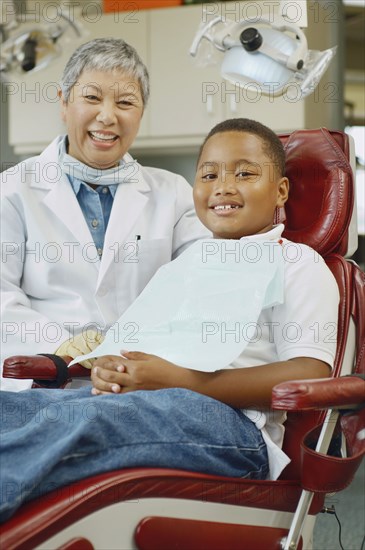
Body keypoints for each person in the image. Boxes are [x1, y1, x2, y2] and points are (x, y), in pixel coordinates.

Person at [0, 118, 339, 523]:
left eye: (245, 174)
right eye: (208, 174)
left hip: (232, 428)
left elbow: (311, 373)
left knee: (76, 420)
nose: (223, 186)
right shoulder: (186, 265)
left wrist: (179, 380)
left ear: (280, 189)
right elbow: (144, 349)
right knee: (16, 410)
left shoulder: (298, 263)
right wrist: (114, 368)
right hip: (148, 402)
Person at [0, 38, 209, 391]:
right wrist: (62, 349)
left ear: (141, 113)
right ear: (64, 103)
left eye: (126, 102)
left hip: (143, 384)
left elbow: (202, 287)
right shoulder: (14, 188)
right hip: (47, 383)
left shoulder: (173, 194)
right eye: (92, 98)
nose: (108, 116)